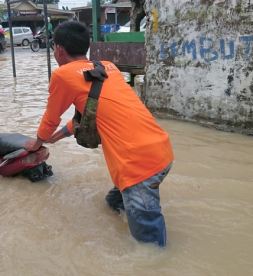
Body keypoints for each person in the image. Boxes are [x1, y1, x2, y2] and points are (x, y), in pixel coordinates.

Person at [23, 21, 174, 247]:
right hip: (161, 151)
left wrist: (38, 143)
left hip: (138, 164)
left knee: (150, 247)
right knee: (112, 204)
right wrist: (58, 136)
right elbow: (95, 113)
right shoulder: (105, 67)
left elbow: (50, 118)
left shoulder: (63, 75)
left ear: (59, 50)